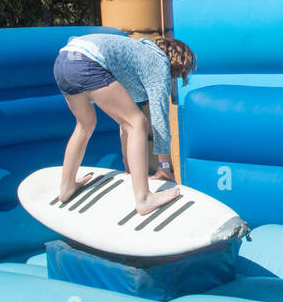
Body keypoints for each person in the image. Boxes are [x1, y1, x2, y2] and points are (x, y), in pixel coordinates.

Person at [53, 33, 196, 214]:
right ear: (178, 65)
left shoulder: (137, 58)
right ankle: (144, 198)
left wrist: (129, 167)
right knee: (138, 122)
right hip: (86, 61)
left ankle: (66, 188)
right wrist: (164, 168)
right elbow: (159, 120)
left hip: (64, 60)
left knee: (85, 126)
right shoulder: (159, 63)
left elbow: (123, 124)